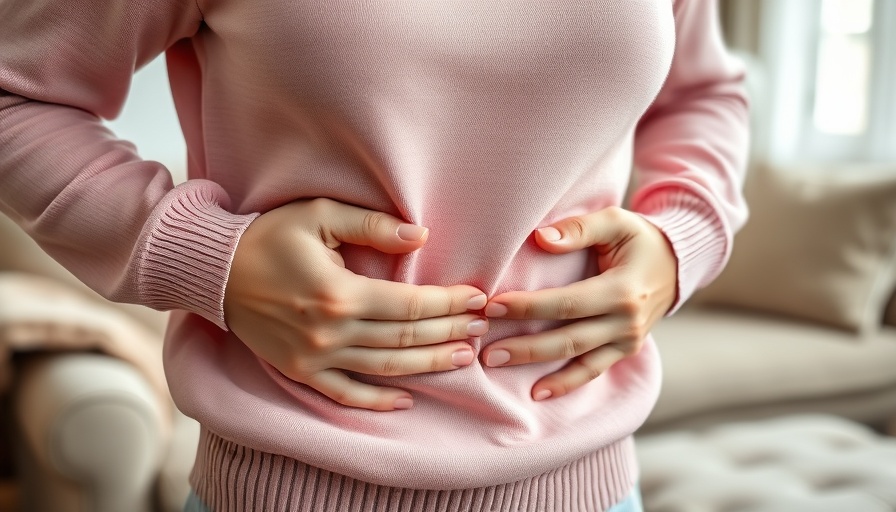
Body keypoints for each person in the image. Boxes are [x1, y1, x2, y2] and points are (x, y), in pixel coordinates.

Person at [0, 0, 748, 510]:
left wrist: (681, 240)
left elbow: (702, 92)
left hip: (596, 489)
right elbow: (15, 94)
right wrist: (208, 256)